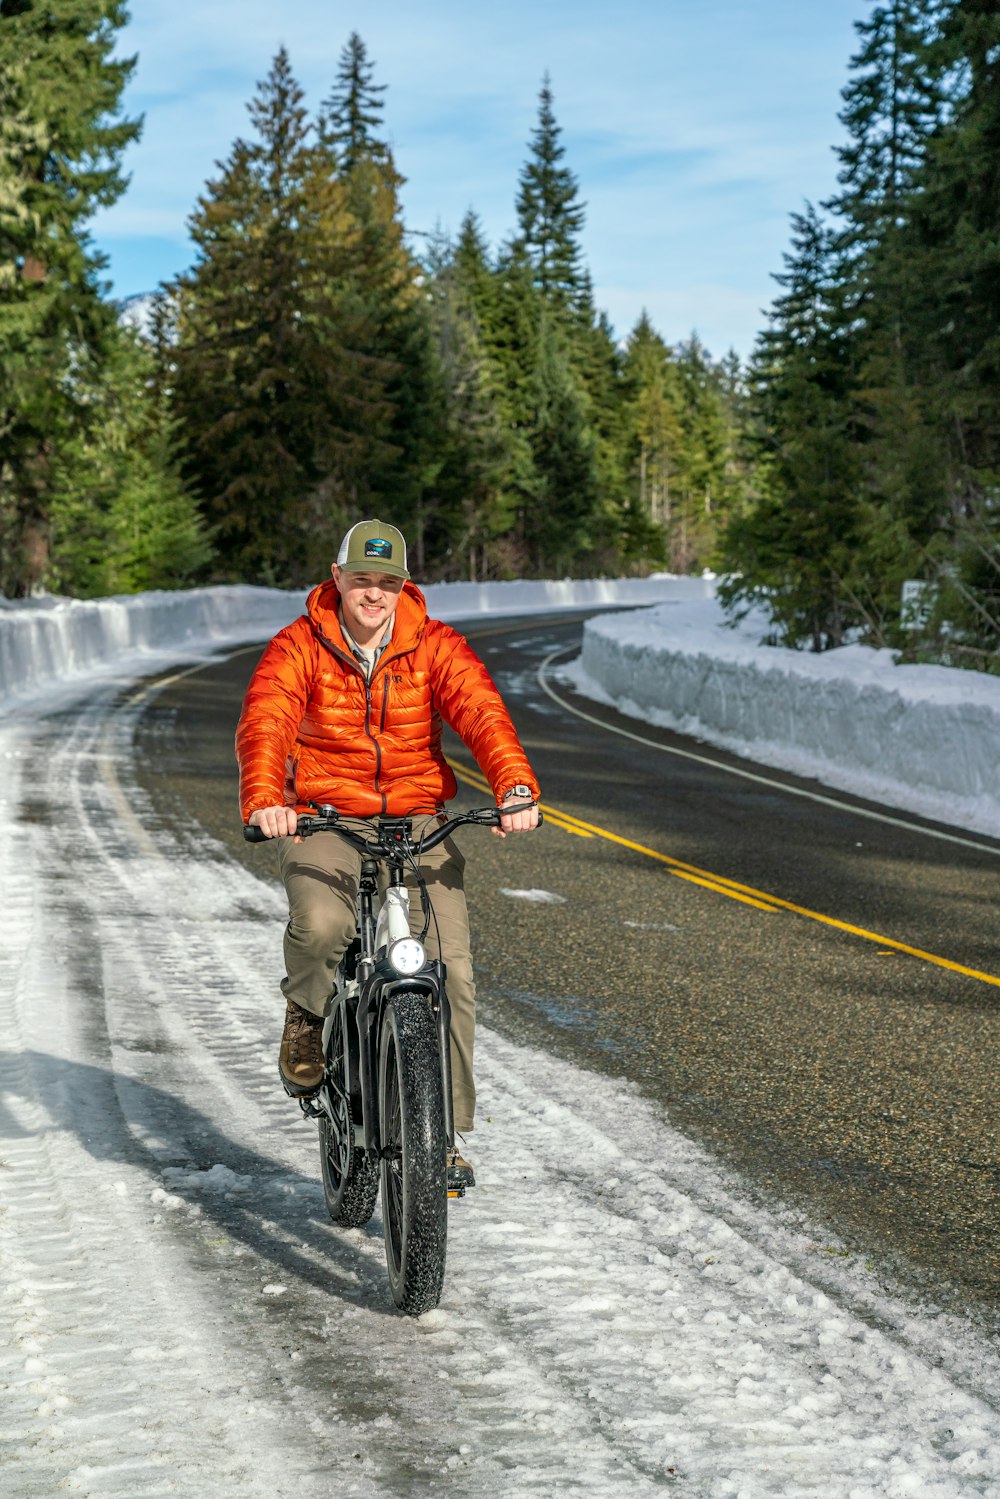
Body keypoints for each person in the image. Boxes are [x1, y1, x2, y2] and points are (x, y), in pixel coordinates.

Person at [236, 519, 540, 1185]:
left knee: (451, 969)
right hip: (324, 813)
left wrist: (514, 784)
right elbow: (268, 718)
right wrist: (266, 795)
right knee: (322, 924)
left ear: (404, 586)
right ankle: (307, 1016)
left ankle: (445, 1135)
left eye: (389, 582)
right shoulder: (299, 646)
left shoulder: (434, 645)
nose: (375, 594)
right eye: (363, 580)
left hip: (415, 816)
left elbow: (482, 711)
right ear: (338, 578)